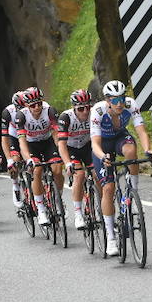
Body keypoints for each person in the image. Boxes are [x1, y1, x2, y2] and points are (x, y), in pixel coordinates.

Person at [89, 80, 152, 256]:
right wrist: (103, 156)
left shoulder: (130, 104)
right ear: (108, 100)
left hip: (120, 138)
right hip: (102, 145)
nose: (119, 104)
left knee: (131, 150)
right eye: (115, 100)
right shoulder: (98, 111)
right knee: (108, 188)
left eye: (121, 99)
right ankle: (111, 238)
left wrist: (148, 149)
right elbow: (95, 143)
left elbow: (141, 130)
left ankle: (133, 190)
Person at [15, 86, 62, 226]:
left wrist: (61, 152)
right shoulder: (21, 116)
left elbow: (56, 135)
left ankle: (57, 196)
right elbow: (22, 142)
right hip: (31, 145)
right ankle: (41, 209)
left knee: (58, 168)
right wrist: (28, 159)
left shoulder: (49, 111)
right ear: (27, 106)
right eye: (33, 105)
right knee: (37, 170)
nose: (37, 107)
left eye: (39, 103)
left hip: (47, 142)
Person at [56, 89, 96, 230]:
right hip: (71, 148)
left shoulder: (94, 114)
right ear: (74, 108)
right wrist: (67, 163)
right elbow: (61, 144)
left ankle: (103, 208)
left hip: (88, 145)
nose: (85, 111)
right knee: (79, 175)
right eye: (80, 108)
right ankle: (78, 213)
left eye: (88, 107)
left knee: (98, 174)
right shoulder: (66, 118)